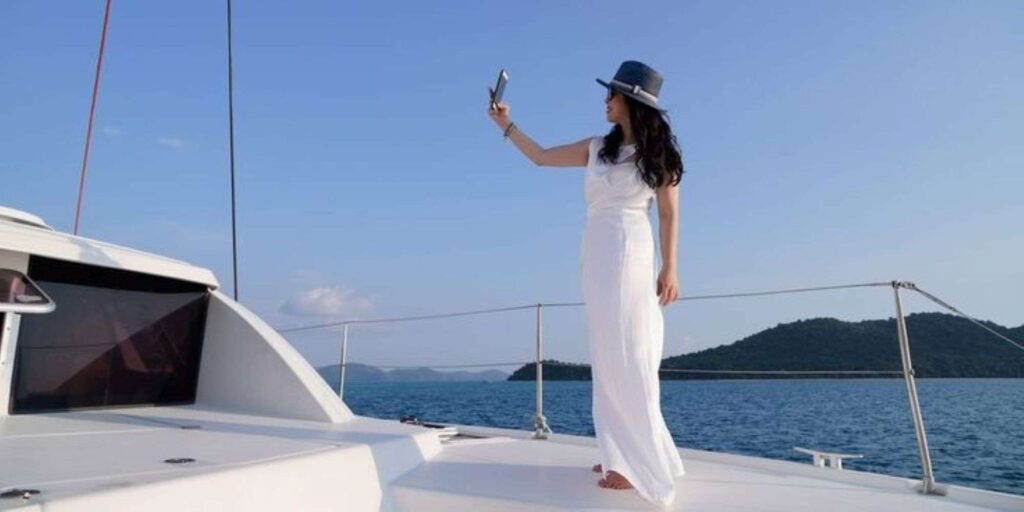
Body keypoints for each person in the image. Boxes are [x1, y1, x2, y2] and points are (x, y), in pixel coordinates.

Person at [488, 60, 686, 507]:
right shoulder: (598, 148)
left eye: (611, 94)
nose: (605, 100)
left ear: (631, 102)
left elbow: (670, 214)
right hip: (596, 251)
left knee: (631, 352)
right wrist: (505, 124)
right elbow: (540, 156)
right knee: (607, 351)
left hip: (630, 250)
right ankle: (619, 450)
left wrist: (670, 267)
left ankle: (635, 462)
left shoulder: (659, 158)